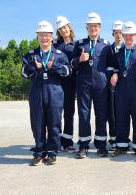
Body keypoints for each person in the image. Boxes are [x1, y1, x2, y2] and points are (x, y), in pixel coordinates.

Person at [21, 21, 71, 166]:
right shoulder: (30, 54)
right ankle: (39, 152)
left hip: (55, 92)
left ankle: (52, 152)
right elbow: (23, 73)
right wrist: (31, 66)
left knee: (54, 123)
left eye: (47, 35)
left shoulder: (59, 54)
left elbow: (68, 72)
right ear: (37, 37)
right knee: (37, 123)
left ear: (51, 37)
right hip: (36, 92)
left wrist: (54, 66)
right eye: (41, 35)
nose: (44, 38)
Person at [70, 12, 112, 158]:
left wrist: (111, 77)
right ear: (86, 28)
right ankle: (83, 145)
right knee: (84, 114)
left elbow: (111, 65)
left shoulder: (106, 46)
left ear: (99, 27)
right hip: (84, 84)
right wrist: (79, 59)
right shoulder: (80, 44)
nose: (93, 28)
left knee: (101, 114)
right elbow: (71, 64)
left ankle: (101, 145)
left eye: (95, 26)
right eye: (90, 26)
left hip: (101, 85)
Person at [110, 21, 136, 158]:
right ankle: (122, 145)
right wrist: (114, 74)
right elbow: (114, 68)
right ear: (123, 35)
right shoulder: (118, 52)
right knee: (121, 118)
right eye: (126, 35)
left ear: (135, 35)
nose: (128, 37)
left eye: (131, 35)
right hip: (121, 91)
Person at [53, 16, 77, 153]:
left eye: (65, 27)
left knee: (69, 113)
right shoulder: (55, 45)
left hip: (71, 84)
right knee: (55, 113)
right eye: (60, 29)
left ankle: (67, 142)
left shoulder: (76, 45)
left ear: (69, 27)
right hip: (57, 83)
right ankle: (55, 141)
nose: (63, 30)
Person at [106, 20, 124, 150]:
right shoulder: (108, 49)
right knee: (112, 112)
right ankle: (113, 138)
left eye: (121, 33)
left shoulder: (128, 48)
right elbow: (105, 65)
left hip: (125, 86)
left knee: (123, 113)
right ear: (112, 34)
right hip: (112, 85)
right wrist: (113, 72)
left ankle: (123, 138)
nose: (118, 35)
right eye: (116, 33)